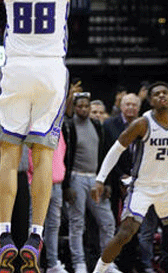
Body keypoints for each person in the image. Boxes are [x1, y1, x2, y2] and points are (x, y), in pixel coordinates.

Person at [0, 0, 122, 273]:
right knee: (43, 153)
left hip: (15, 69)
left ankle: (3, 236)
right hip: (49, 71)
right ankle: (34, 235)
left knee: (8, 155)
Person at [90, 82, 168, 273]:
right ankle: (100, 270)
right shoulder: (142, 123)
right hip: (143, 187)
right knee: (125, 233)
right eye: (156, 94)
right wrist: (100, 179)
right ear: (150, 101)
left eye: (165, 93)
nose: (161, 96)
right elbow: (116, 149)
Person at [62, 93, 116, 273]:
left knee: (107, 221)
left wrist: (105, 181)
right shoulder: (68, 127)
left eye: (87, 106)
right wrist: (66, 186)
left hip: (96, 178)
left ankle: (107, 263)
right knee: (77, 223)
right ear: (75, 107)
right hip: (76, 177)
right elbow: (65, 157)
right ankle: (79, 264)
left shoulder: (97, 126)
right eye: (80, 106)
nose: (83, 109)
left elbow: (104, 156)